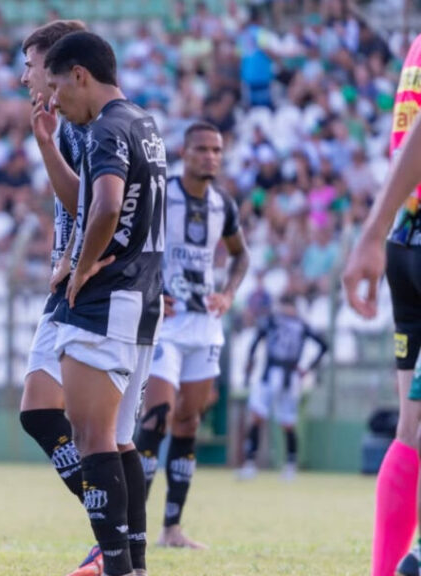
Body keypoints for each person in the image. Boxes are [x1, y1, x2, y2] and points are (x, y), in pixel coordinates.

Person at [43, 31, 166, 576]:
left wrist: (81, 264)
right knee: (118, 440)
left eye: (56, 86)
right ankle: (134, 565)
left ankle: (116, 567)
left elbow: (107, 205)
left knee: (91, 438)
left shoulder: (104, 130)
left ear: (79, 75)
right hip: (142, 297)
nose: (54, 100)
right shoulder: (145, 123)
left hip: (107, 299)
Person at [19, 18, 116, 576]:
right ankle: (111, 530)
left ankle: (115, 539)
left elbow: (92, 203)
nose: (25, 77)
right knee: (39, 413)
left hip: (90, 286)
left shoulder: (89, 122)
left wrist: (73, 260)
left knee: (97, 431)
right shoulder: (63, 122)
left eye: (31, 65)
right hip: (68, 284)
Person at [133, 122, 249, 549]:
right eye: (202, 149)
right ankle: (132, 527)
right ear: (184, 152)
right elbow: (132, 245)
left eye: (216, 150)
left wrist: (228, 294)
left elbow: (241, 255)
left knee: (188, 422)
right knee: (157, 416)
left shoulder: (223, 204)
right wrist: (148, 290)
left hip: (205, 326)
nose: (210, 157)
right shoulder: (163, 196)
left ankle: (171, 528)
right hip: (166, 325)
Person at [342, 33, 421, 576]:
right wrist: (370, 232)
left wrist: (378, 231)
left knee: (411, 429)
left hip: (406, 235)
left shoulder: (416, 45)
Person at [239, 293, 328, 480]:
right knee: (259, 417)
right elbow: (256, 340)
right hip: (273, 373)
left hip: (285, 375)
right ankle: (252, 463)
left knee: (286, 422)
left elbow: (323, 345)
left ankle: (289, 464)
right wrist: (251, 360)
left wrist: (307, 368)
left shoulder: (286, 322)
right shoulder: (282, 322)